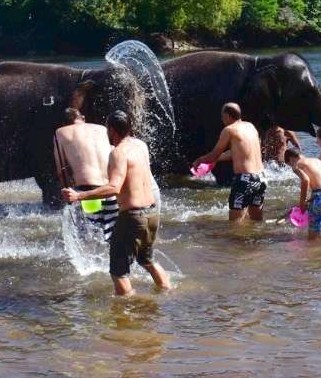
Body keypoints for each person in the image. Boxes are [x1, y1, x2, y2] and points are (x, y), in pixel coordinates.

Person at [63, 111, 171, 296]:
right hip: (152, 213)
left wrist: (79, 196)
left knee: (118, 272)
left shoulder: (117, 153)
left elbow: (114, 187)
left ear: (112, 130)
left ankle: (128, 311)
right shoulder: (141, 145)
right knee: (147, 260)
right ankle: (168, 292)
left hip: (133, 217)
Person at [193, 103, 267, 222]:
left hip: (245, 180)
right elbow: (239, 153)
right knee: (256, 222)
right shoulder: (250, 126)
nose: (222, 119)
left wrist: (199, 161)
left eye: (222, 116)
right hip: (261, 178)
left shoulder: (229, 130)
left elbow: (214, 154)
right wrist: (217, 159)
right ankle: (256, 240)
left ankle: (236, 241)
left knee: (235, 224)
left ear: (227, 115)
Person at [53, 107, 116, 216]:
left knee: (88, 231)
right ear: (83, 118)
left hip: (87, 192)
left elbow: (61, 170)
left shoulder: (60, 132)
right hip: (110, 189)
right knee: (112, 231)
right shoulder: (102, 129)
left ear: (64, 123)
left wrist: (68, 195)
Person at [285, 145, 321, 239]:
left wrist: (302, 203)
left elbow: (305, 180)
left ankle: (316, 253)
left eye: (289, 164)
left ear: (291, 159)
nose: (291, 166)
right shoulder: (316, 160)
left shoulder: (297, 165)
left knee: (314, 237)